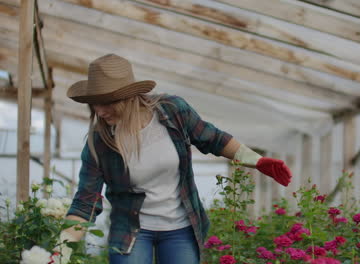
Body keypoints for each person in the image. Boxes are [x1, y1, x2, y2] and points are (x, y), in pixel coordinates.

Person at [57, 54, 292, 264]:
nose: (99, 110)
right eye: (94, 102)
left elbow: (213, 138)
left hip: (180, 228)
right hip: (130, 231)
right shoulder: (99, 142)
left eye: (107, 102)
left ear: (128, 97)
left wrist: (256, 160)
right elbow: (86, 202)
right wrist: (61, 250)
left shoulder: (172, 111)